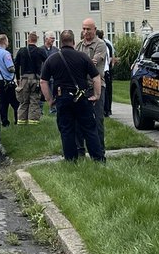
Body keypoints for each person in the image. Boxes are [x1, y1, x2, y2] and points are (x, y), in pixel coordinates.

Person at [40, 29, 104, 162]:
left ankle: (71, 160)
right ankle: (98, 159)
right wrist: (97, 95)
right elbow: (96, 77)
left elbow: (43, 81)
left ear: (60, 42)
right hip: (81, 97)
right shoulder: (82, 57)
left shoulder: (52, 59)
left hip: (62, 98)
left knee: (67, 130)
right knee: (89, 129)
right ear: (74, 42)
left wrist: (49, 99)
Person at [75, 18, 107, 157]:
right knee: (78, 120)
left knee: (97, 120)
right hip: (81, 87)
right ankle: (79, 151)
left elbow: (92, 63)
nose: (86, 32)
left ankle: (100, 151)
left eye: (88, 29)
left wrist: (78, 63)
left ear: (94, 29)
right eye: (84, 29)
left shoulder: (100, 45)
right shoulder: (78, 45)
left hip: (97, 86)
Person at [14, 31, 46, 123]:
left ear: (28, 40)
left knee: (23, 101)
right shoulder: (40, 51)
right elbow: (47, 62)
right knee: (34, 100)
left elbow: (16, 65)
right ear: (36, 40)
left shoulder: (21, 51)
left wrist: (18, 78)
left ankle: (21, 120)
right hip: (36, 78)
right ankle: (33, 120)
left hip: (24, 78)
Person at [0, 34, 18, 126]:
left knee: (3, 103)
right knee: (15, 102)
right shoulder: (6, 54)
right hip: (7, 81)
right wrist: (16, 69)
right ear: (5, 41)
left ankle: (4, 121)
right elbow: (10, 68)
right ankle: (17, 120)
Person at [97, 29, 116, 115]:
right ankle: (108, 109)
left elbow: (108, 58)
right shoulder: (107, 44)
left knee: (104, 91)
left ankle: (106, 110)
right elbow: (112, 57)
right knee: (107, 91)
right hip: (107, 70)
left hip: (104, 70)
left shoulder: (102, 45)